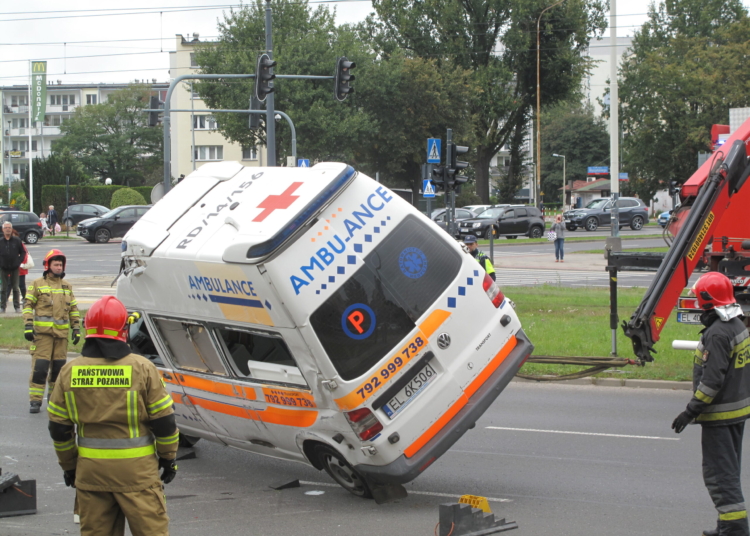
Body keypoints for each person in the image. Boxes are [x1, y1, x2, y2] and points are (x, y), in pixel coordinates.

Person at [47, 296, 179, 536]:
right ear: (123, 329)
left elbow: (58, 428)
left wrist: (69, 467)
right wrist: (168, 459)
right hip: (137, 475)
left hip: (91, 474)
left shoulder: (69, 371)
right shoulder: (141, 368)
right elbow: (165, 423)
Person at [671, 272, 750, 536]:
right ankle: (726, 525)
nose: (696, 303)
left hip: (719, 415)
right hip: (736, 413)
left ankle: (735, 529)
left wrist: (689, 411)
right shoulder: (738, 325)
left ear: (707, 301)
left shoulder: (717, 333)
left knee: (720, 476)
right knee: (729, 470)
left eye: (698, 299)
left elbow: (711, 381)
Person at [23, 249, 81, 413]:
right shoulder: (37, 284)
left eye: (61, 265)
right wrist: (28, 326)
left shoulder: (67, 287)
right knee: (40, 369)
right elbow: (27, 306)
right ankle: (35, 401)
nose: (59, 267)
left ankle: (54, 401)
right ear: (48, 266)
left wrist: (76, 328)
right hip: (43, 336)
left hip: (61, 338)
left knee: (58, 371)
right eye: (55, 264)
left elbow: (74, 310)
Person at [0, 221, 25, 313]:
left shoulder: (17, 241)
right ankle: (2, 307)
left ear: (11, 229)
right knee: (3, 288)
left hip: (15, 268)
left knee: (15, 288)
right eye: (6, 227)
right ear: (3, 230)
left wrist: (19, 261)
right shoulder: (1, 241)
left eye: (9, 228)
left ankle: (17, 306)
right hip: (3, 268)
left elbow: (23, 252)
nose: (7, 229)